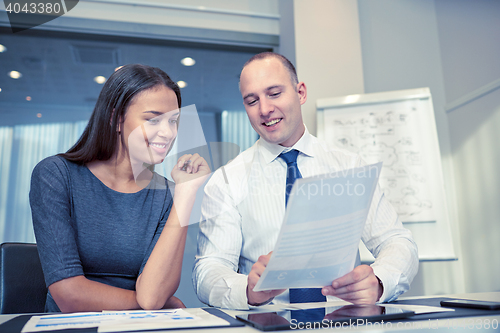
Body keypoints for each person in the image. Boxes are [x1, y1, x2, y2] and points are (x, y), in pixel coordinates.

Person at [193, 52, 418, 309]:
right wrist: (245, 290)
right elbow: (208, 269)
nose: (265, 109)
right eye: (252, 100)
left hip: (345, 322)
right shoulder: (226, 181)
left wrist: (379, 281)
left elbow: (398, 241)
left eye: (274, 93)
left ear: (300, 93)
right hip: (267, 324)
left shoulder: (349, 167)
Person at [30, 64, 210, 313]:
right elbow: (69, 296)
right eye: (153, 119)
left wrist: (186, 193)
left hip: (138, 328)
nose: (168, 132)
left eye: (174, 121)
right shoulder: (55, 175)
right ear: (116, 118)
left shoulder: (167, 195)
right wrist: (159, 306)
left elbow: (152, 296)